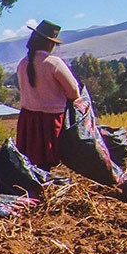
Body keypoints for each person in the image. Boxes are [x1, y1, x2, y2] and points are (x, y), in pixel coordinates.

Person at [16, 20, 88, 169]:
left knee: (32, 162)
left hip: (28, 118)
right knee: (48, 160)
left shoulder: (22, 63)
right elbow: (73, 92)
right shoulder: (54, 63)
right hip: (50, 120)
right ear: (49, 43)